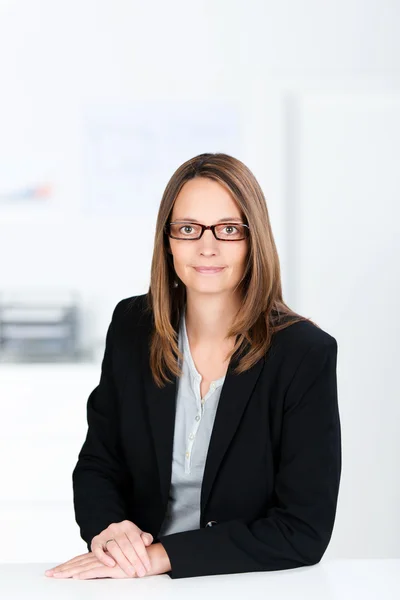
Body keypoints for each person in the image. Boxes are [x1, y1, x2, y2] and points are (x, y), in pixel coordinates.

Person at [44, 152, 341, 580]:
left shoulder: (303, 353)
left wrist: (161, 557)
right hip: (135, 581)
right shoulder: (132, 327)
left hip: (245, 581)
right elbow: (99, 463)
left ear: (253, 238)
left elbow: (302, 529)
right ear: (167, 240)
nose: (207, 246)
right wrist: (109, 531)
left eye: (228, 229)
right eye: (187, 229)